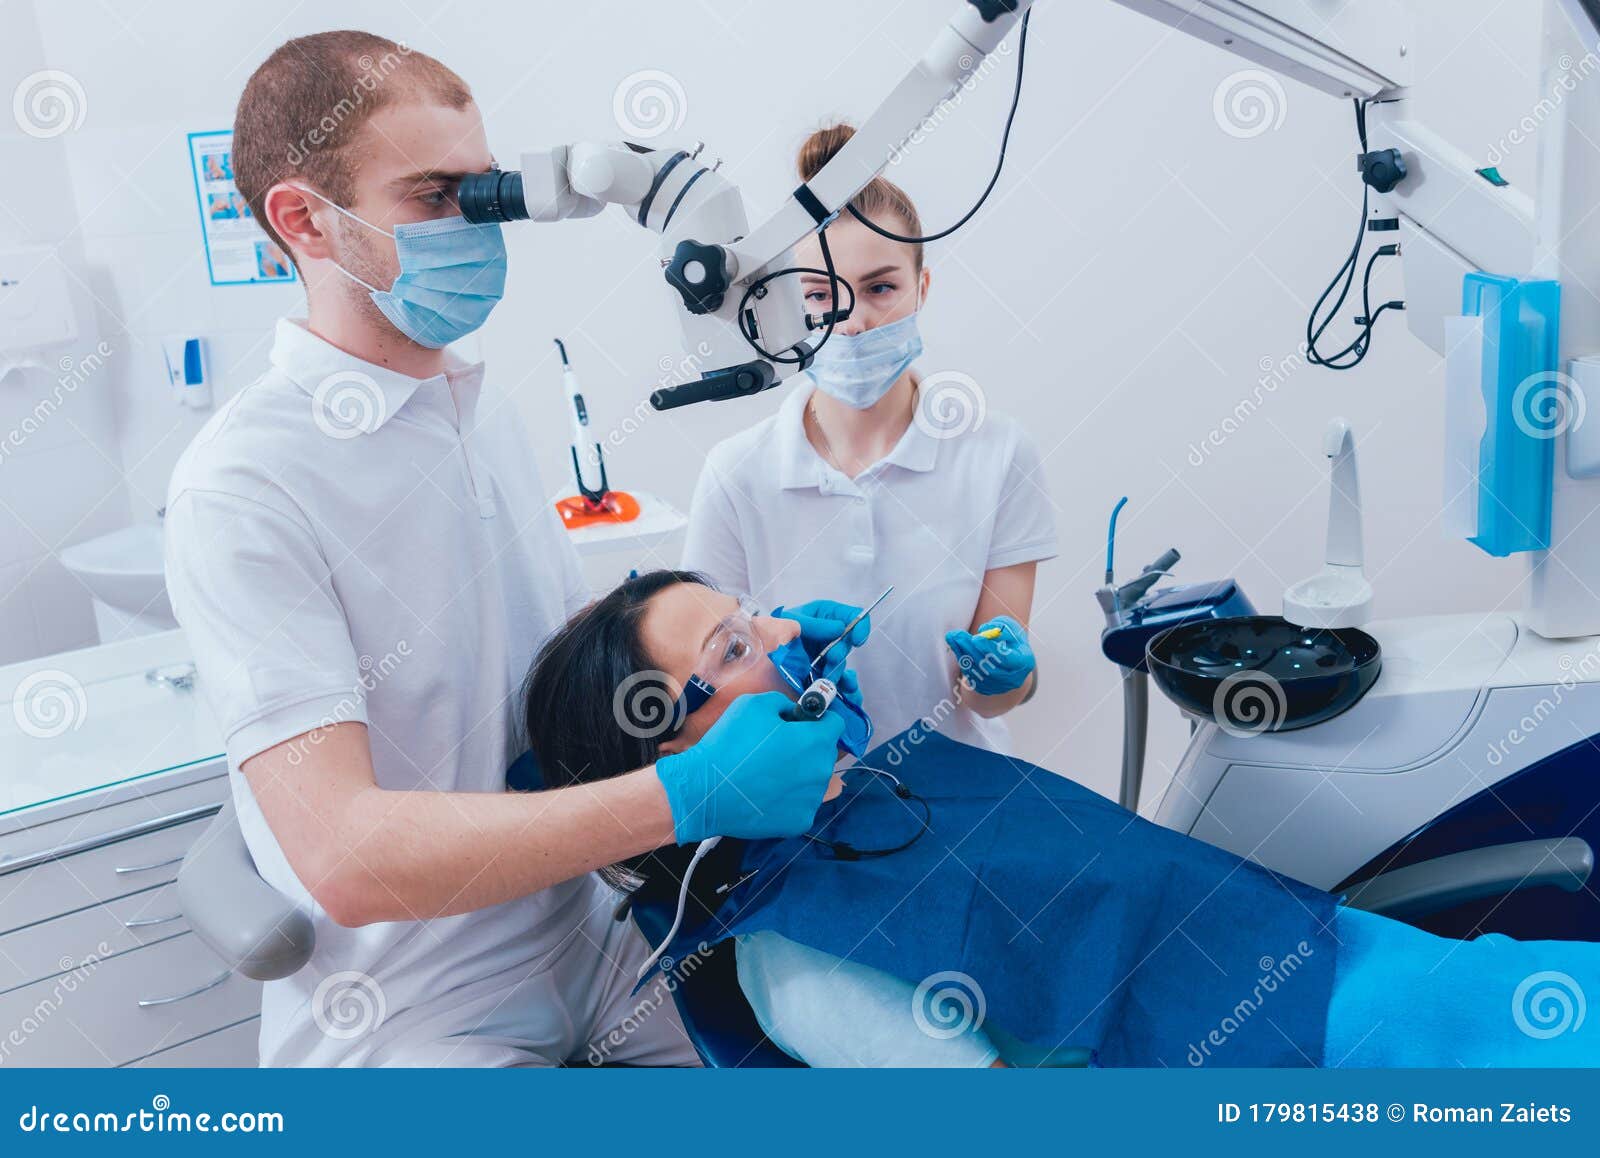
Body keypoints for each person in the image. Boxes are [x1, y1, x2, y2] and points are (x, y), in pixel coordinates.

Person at [163, 32, 857, 1067]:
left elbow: (525, 667)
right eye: (435, 198)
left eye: (483, 193)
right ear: (306, 220)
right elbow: (347, 858)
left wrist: (750, 642)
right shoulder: (244, 488)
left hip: (593, 935)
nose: (478, 227)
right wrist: (690, 793)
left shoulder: (471, 405)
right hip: (416, 1004)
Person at [525, 570, 1600, 1068]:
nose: (779, 632)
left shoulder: (893, 783)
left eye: (746, 610)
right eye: (731, 648)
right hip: (1321, 1061)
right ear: (675, 755)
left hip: (1358, 965)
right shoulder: (798, 962)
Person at [681, 122, 1058, 755]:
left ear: (922, 288)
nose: (853, 322)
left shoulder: (998, 455)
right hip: (798, 793)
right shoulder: (737, 473)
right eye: (821, 294)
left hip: (963, 788)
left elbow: (985, 698)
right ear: (787, 305)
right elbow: (708, 700)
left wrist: (1000, 677)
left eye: (881, 288)